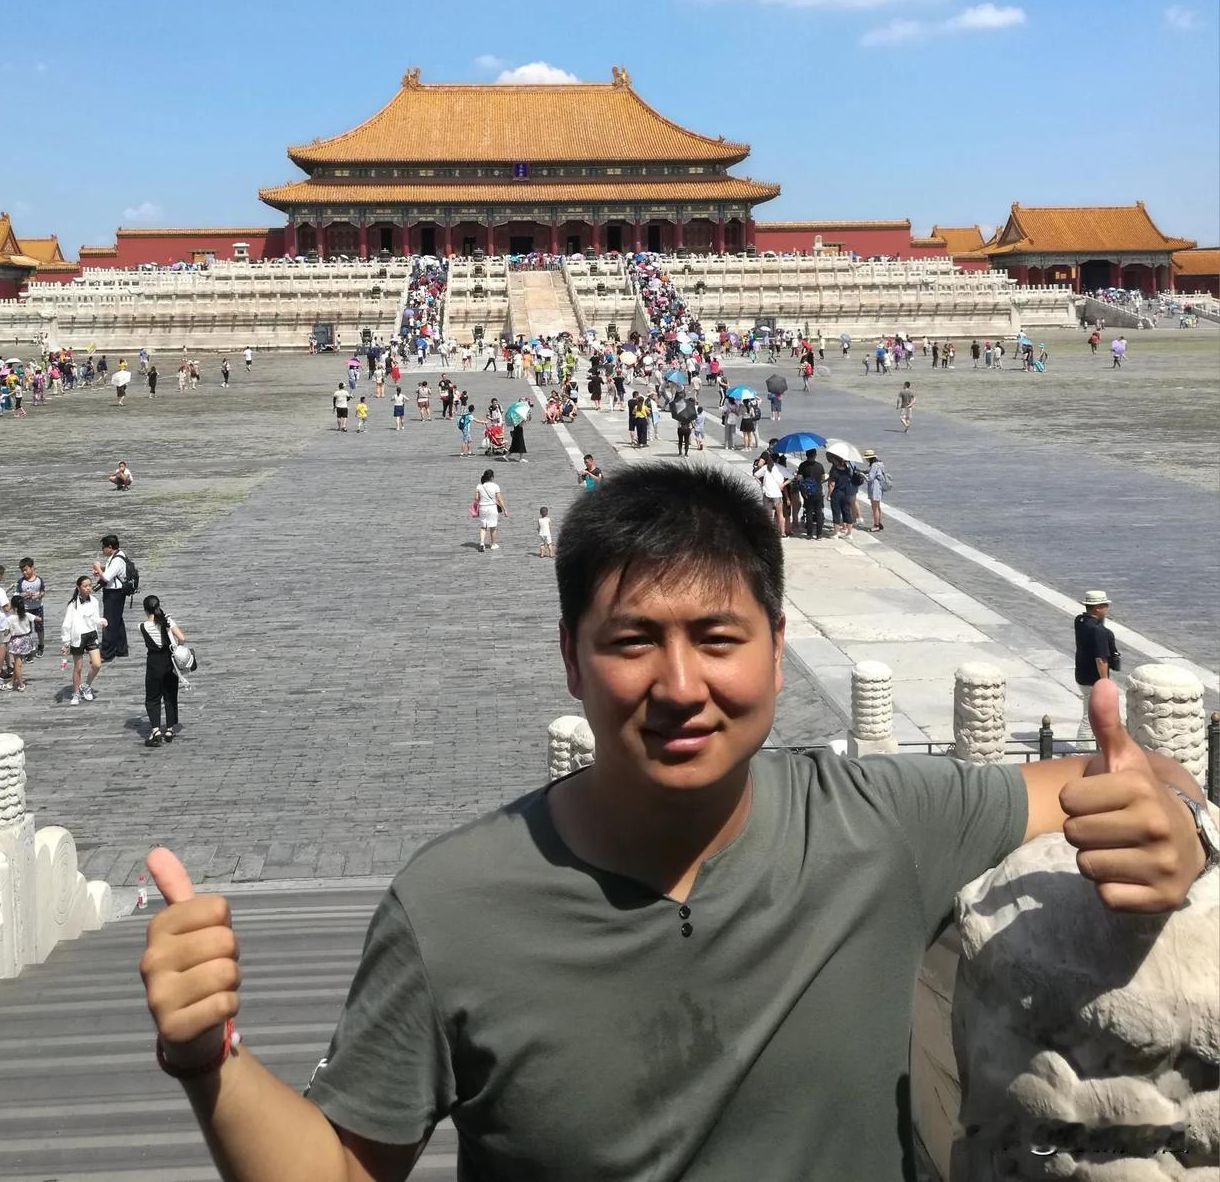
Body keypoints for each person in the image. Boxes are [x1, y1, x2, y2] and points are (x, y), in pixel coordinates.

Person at [140, 465, 1211, 1182]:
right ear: (570, 659)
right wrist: (208, 1057)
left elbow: (1130, 775)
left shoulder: (882, 822)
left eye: (717, 636)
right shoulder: (450, 908)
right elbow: (339, 1169)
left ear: (778, 652)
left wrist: (1171, 823)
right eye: (631, 640)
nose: (680, 684)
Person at [141, 594, 188, 748]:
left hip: (153, 663)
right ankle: (169, 729)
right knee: (170, 695)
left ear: (145, 610)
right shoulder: (168, 621)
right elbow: (182, 638)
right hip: (169, 662)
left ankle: (155, 731)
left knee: (152, 698)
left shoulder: (142, 626)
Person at [1074, 590, 1120, 742]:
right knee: (1089, 718)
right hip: (1093, 680)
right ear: (1097, 608)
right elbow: (1101, 660)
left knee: (1090, 714)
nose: (1107, 608)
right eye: (1105, 605)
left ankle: (1092, 746)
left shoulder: (1080, 621)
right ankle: (1082, 750)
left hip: (1081, 674)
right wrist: (1105, 682)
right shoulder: (1098, 631)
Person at [61, 575, 104, 704]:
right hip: (78, 637)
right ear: (79, 587)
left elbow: (95, 618)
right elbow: (67, 623)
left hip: (91, 635)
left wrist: (101, 621)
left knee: (97, 664)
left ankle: (86, 685)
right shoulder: (73, 605)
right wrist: (66, 642)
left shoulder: (94, 601)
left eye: (90, 585)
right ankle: (76, 693)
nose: (88, 588)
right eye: (85, 586)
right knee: (78, 667)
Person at [94, 533, 132, 660]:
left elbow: (106, 577)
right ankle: (121, 649)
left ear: (110, 547)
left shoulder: (117, 559)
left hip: (114, 593)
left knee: (109, 623)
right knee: (117, 621)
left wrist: (98, 568)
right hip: (116, 592)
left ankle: (107, 653)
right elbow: (112, 571)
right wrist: (101, 569)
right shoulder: (118, 555)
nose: (102, 550)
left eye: (103, 547)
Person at [3, 593, 35, 692]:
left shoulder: (10, 619)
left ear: (12, 606)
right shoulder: (26, 615)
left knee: (17, 664)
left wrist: (5, 631)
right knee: (19, 662)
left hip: (16, 641)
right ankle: (11, 683)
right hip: (26, 640)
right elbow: (38, 619)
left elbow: (6, 632)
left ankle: (20, 684)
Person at [17, 556, 46, 657]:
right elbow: (16, 594)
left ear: (32, 568)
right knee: (26, 629)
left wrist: (40, 595)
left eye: (26, 570)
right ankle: (28, 648)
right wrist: (23, 595)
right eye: (22, 571)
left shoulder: (39, 580)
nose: (24, 572)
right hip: (26, 608)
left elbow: (43, 591)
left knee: (39, 628)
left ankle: (41, 645)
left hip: (38, 607)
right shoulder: (21, 582)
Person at [474, 468, 507, 552]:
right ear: (492, 477)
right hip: (492, 508)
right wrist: (505, 509)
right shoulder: (495, 486)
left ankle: (482, 543)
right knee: (493, 527)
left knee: (483, 527)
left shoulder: (479, 486)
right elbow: (500, 499)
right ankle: (493, 544)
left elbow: (476, 498)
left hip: (482, 508)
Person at [797, 449, 825, 540]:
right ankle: (819, 534)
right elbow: (823, 478)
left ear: (806, 455)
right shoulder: (820, 465)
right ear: (815, 455)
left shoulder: (803, 465)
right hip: (818, 491)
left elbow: (799, 478)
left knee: (809, 512)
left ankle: (809, 534)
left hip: (808, 492)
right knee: (819, 512)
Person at [826, 455, 856, 538]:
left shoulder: (834, 471)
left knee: (836, 512)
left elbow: (832, 485)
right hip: (846, 493)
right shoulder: (847, 469)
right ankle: (849, 532)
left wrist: (829, 495)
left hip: (837, 493)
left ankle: (836, 532)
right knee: (847, 512)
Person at [863, 450, 888, 531]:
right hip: (879, 487)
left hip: (875, 487)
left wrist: (862, 475)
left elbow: (870, 478)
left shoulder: (874, 465)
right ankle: (879, 523)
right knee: (878, 506)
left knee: (874, 508)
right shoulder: (880, 463)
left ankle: (876, 525)